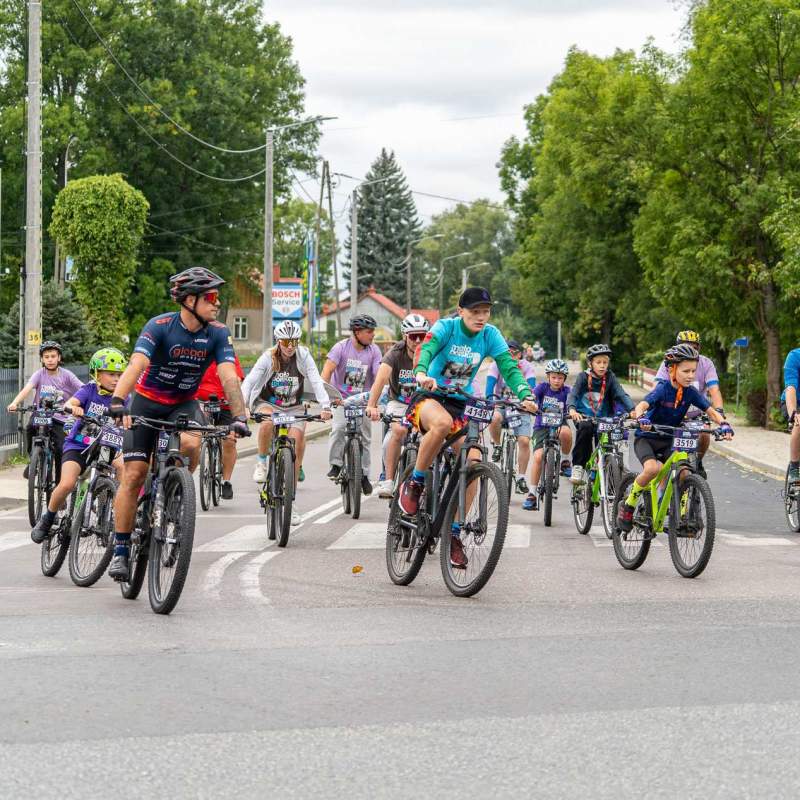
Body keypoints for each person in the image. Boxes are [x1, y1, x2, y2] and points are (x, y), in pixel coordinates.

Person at [107, 267, 249, 582]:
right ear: (189, 300)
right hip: (147, 402)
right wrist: (118, 401)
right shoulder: (159, 326)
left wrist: (239, 416)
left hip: (183, 403)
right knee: (134, 474)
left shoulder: (218, 332)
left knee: (190, 443)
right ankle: (119, 549)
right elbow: (137, 365)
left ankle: (175, 489)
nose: (217, 302)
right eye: (211, 297)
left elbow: (228, 375)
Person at [397, 287, 538, 568]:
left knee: (473, 460)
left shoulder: (491, 335)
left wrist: (524, 393)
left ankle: (455, 533)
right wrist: (422, 373)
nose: (482, 317)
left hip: (462, 401)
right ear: (461, 311)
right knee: (442, 424)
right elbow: (426, 347)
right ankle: (415, 483)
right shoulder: (446, 328)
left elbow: (508, 367)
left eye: (486, 311)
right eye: (475, 312)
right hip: (431, 395)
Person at [617, 345, 732, 532]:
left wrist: (724, 425)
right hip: (647, 438)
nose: (690, 376)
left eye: (693, 371)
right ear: (672, 369)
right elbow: (642, 405)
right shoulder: (663, 389)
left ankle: (680, 515)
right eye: (686, 371)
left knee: (685, 472)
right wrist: (641, 418)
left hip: (670, 438)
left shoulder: (690, 392)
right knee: (653, 468)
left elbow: (710, 410)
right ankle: (628, 504)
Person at [31, 348, 128, 543]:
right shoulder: (89, 390)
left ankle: (107, 517)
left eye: (119, 374)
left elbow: (130, 415)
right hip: (78, 445)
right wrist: (73, 407)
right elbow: (72, 402)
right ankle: (48, 518)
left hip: (108, 446)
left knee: (122, 470)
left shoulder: (123, 397)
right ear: (97, 374)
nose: (116, 379)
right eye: (111, 374)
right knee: (66, 483)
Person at [241, 320, 332, 524]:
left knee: (296, 440)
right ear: (278, 341)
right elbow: (250, 381)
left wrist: (325, 406)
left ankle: (291, 500)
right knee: (266, 423)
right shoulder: (268, 357)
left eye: (294, 341)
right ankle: (262, 462)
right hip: (268, 403)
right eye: (285, 341)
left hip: (294, 405)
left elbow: (316, 380)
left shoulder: (304, 355)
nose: (290, 346)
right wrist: (244, 406)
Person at [366, 313, 430, 498]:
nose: (418, 341)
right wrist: (372, 405)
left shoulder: (432, 352)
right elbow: (381, 379)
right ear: (404, 336)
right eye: (413, 336)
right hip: (399, 403)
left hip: (424, 402)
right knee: (399, 431)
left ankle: (429, 478)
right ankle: (388, 479)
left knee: (429, 436)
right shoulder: (395, 353)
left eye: (422, 336)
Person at [320, 314, 382, 495]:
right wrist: (326, 397)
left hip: (363, 400)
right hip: (340, 399)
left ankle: (363, 475)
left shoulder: (374, 351)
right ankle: (336, 464)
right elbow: (327, 371)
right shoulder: (340, 348)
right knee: (338, 428)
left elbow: (379, 375)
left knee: (365, 437)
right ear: (357, 332)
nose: (372, 335)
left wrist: (375, 401)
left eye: (373, 331)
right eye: (369, 331)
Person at [7, 341, 83, 482]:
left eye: (53, 356)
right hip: (41, 414)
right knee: (29, 428)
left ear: (59, 358)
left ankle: (60, 484)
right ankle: (33, 461)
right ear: (42, 359)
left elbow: (83, 389)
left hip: (60, 417)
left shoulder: (67, 375)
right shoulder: (39, 374)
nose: (50, 359)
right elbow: (27, 389)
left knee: (61, 448)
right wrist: (15, 403)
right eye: (46, 356)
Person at [654, 330, 724, 479]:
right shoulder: (670, 362)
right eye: (687, 346)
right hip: (674, 411)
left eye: (695, 347)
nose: (691, 350)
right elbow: (658, 388)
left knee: (705, 432)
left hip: (697, 412)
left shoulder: (706, 363)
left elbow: (714, 389)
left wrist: (719, 410)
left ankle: (698, 461)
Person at [567, 344, 634, 485]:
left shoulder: (610, 378)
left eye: (605, 362)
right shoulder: (583, 377)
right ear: (590, 363)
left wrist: (633, 410)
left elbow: (621, 395)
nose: (602, 366)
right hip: (584, 416)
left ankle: (605, 472)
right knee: (585, 429)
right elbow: (573, 394)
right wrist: (572, 409)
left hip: (604, 419)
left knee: (606, 443)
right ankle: (578, 466)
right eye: (598, 362)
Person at [485, 339, 538, 494]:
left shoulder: (527, 367)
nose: (510, 356)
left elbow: (532, 388)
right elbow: (489, 387)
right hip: (502, 405)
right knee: (494, 417)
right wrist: (490, 400)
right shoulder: (495, 365)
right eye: (506, 353)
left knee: (524, 441)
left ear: (519, 355)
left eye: (513, 353)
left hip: (521, 407)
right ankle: (497, 445)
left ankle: (521, 477)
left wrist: (530, 401)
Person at [523, 359, 573, 511]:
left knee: (566, 432)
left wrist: (574, 411)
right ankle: (532, 493)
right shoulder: (542, 388)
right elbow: (532, 396)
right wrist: (529, 404)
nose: (557, 381)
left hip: (559, 424)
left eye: (560, 378)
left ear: (564, 379)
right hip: (542, 426)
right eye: (554, 377)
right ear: (548, 377)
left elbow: (573, 402)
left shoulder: (567, 391)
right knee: (538, 457)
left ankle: (564, 462)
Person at [196, 354, 245, 500]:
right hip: (202, 403)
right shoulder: (199, 353)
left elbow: (237, 380)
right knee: (194, 435)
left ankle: (226, 481)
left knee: (229, 440)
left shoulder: (229, 356)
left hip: (225, 404)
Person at [783, 345, 800, 484]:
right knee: (799, 423)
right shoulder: (794, 356)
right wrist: (794, 412)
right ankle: (795, 467)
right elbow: (790, 388)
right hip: (794, 401)